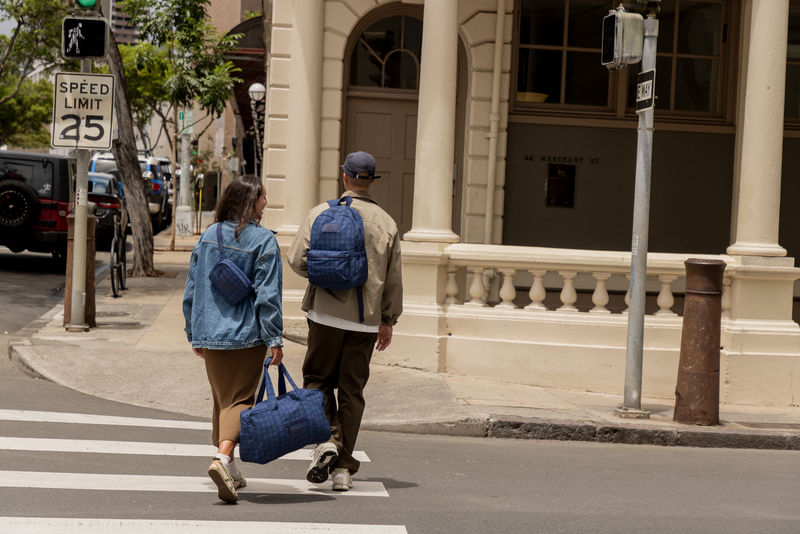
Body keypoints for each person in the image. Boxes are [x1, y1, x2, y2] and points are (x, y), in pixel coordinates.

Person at [288, 151, 403, 491]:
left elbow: (296, 259)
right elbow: (393, 280)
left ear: (345, 178)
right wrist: (388, 319)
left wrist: (323, 276)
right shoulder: (387, 223)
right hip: (365, 320)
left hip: (324, 313)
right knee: (352, 391)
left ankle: (329, 443)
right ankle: (342, 470)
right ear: (371, 181)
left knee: (316, 380)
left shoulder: (321, 212)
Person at [183, 174, 283, 504]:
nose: (266, 203)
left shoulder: (210, 235)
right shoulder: (264, 240)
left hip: (210, 335)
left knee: (223, 400)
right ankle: (223, 459)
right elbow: (268, 296)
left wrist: (193, 331)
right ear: (249, 201)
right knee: (241, 401)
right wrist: (274, 338)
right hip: (246, 337)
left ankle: (233, 470)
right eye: (263, 197)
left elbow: (192, 289)